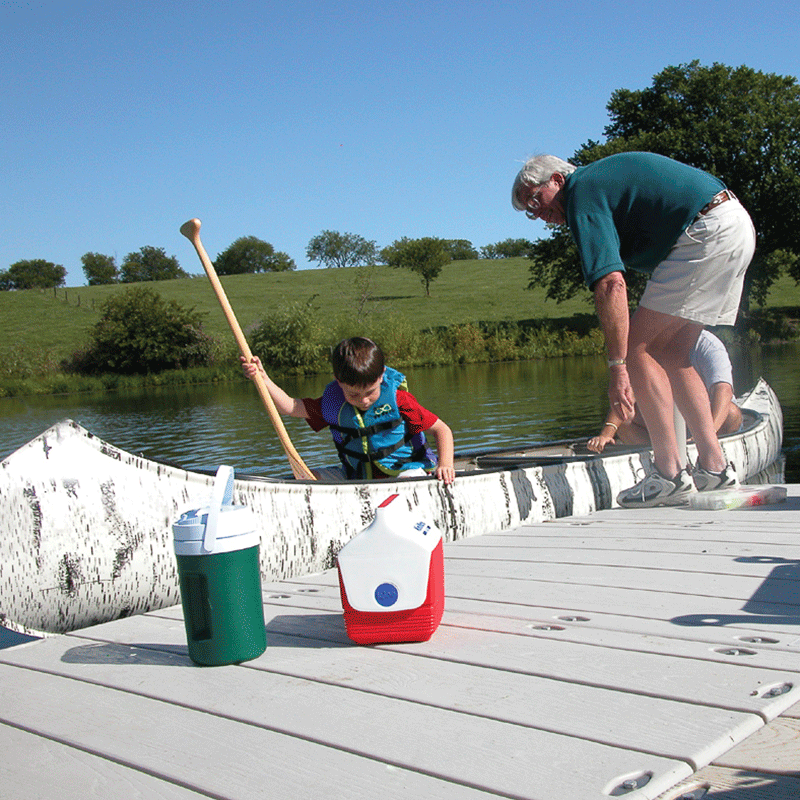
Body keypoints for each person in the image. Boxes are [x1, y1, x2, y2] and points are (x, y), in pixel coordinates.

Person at [512, 151, 756, 507]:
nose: (538, 214)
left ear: (557, 180)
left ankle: (670, 474)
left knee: (638, 348)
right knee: (674, 351)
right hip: (734, 224)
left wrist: (617, 368)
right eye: (528, 211)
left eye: (535, 198)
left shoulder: (581, 190)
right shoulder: (601, 184)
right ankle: (715, 467)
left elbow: (611, 283)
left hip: (706, 229)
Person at [241, 336, 455, 484]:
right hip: (357, 476)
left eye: (371, 392)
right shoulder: (333, 404)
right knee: (305, 479)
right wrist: (263, 378)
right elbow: (290, 407)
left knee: (409, 481)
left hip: (405, 471)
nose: (363, 400)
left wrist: (445, 465)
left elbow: (442, 430)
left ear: (381, 376)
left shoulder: (399, 400)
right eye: (353, 394)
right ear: (338, 380)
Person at [587, 330, 743, 453]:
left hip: (708, 420)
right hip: (669, 418)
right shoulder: (647, 348)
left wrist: (706, 435)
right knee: (624, 420)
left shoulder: (708, 345)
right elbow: (629, 393)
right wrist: (607, 434)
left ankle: (712, 455)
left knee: (731, 412)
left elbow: (723, 390)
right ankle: (662, 461)